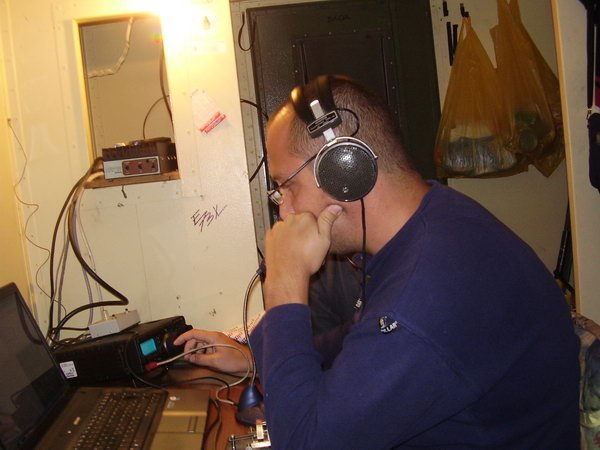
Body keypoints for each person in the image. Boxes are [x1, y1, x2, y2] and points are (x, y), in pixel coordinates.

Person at [175, 75, 580, 449]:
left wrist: (284, 287)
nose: (285, 211)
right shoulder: (434, 222)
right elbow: (359, 339)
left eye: (287, 186)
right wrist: (254, 358)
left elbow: (303, 443)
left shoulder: (427, 291)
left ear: (343, 169)